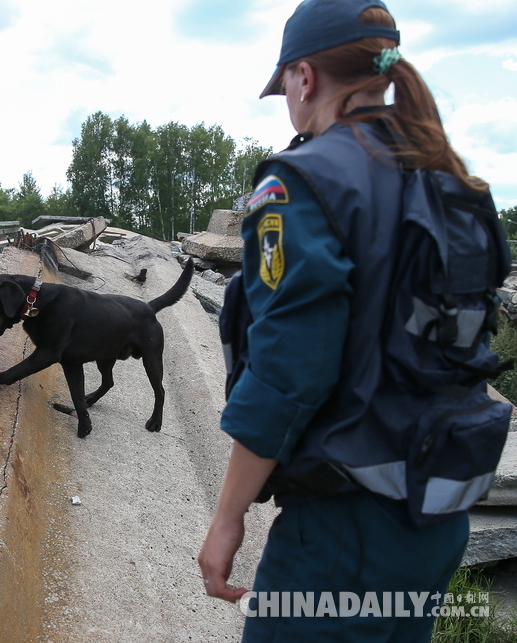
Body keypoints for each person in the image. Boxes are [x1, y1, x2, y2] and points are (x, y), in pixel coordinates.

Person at [197, 0, 500, 640]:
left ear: (304, 78)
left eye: (283, 87)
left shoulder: (298, 184)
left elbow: (288, 370)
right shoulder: (454, 183)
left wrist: (229, 516)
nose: (287, 103)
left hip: (342, 536)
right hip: (435, 517)